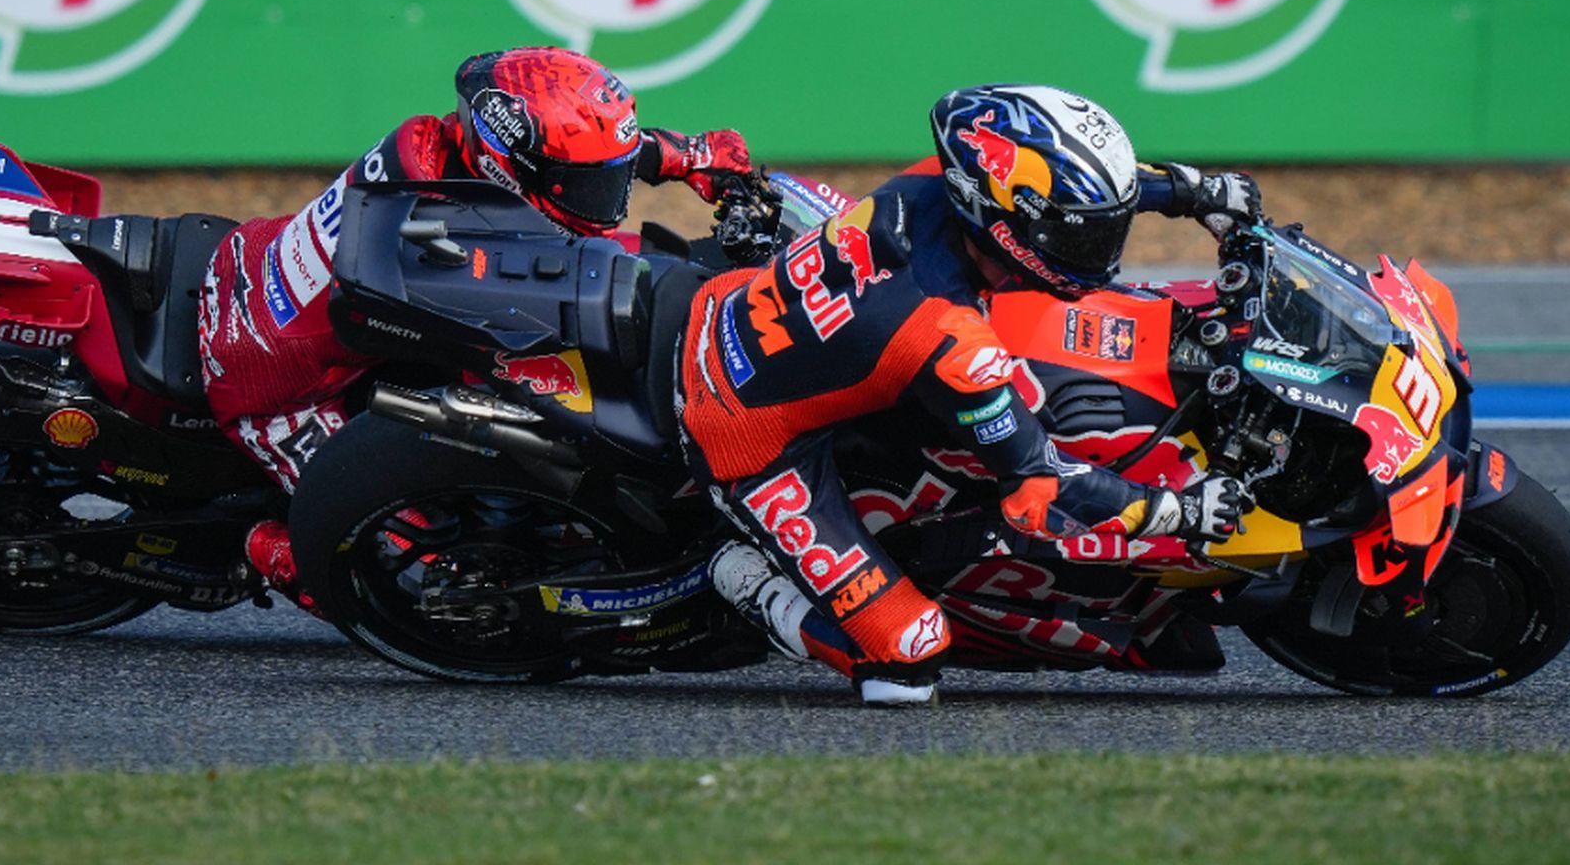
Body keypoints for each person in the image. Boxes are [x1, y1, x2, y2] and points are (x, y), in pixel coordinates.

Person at [680, 83, 1260, 706]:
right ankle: (749, 581)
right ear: (1002, 227)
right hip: (746, 436)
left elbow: (1065, 201)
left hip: (740, 309)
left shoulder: (940, 179)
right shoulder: (947, 334)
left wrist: (1193, 192)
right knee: (908, 659)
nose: (1098, 251)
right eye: (1080, 239)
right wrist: (1177, 511)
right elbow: (1041, 483)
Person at [198, 46, 752, 608]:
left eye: (608, 179)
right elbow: (508, 351)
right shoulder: (449, 221)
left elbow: (572, 156)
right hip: (261, 375)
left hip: (264, 263)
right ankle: (259, 546)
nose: (606, 199)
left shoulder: (445, 144)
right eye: (585, 185)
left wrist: (689, 157)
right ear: (507, 167)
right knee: (396, 573)